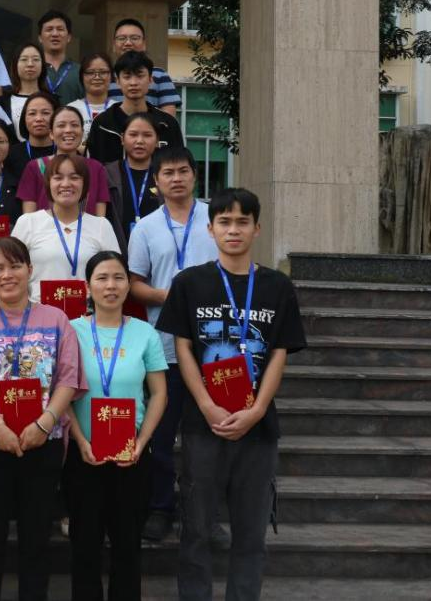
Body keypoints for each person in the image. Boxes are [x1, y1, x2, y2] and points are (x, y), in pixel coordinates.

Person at [156, 188, 307, 601]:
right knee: (196, 530)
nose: (233, 230)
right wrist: (206, 405)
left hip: (258, 429)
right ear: (211, 229)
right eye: (224, 222)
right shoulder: (189, 283)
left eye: (243, 222)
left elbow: (279, 353)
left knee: (251, 534)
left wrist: (256, 411)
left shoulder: (277, 286)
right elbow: (183, 348)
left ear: (257, 228)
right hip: (202, 425)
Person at [0, 236, 83, 601]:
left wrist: (43, 424)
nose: (6, 275)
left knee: (36, 539)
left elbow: (68, 379)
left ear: (29, 270)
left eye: (14, 266)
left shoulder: (56, 319)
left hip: (43, 441)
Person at [127, 146, 219, 543]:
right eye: (168, 173)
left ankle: (205, 514)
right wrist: (173, 296)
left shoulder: (216, 219)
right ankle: (160, 507)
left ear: (195, 175)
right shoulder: (145, 228)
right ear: (156, 181)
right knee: (161, 435)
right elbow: (134, 284)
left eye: (183, 171)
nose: (176, 179)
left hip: (214, 347)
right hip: (163, 347)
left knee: (208, 436)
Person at [67, 250, 167, 601]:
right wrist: (79, 441)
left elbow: (159, 393)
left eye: (118, 277)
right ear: (87, 286)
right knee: (84, 546)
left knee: (127, 546)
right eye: (102, 278)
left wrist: (142, 441)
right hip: (83, 454)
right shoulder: (71, 331)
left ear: (128, 285)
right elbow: (62, 394)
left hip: (131, 456)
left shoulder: (145, 333)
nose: (110, 285)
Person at [11, 154, 119, 304]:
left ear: (85, 184)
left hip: (88, 314)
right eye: (58, 178)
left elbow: (115, 275)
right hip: (38, 313)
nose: (66, 184)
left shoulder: (101, 226)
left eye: (74, 178)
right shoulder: (28, 223)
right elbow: (12, 272)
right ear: (48, 183)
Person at [87, 51, 185, 164]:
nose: (133, 83)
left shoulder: (168, 124)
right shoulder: (102, 124)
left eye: (140, 75)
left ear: (150, 79)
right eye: (127, 76)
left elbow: (179, 164)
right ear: (118, 81)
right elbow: (93, 168)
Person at [17, 106, 111, 217]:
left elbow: (100, 218)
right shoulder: (36, 166)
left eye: (74, 125)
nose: (68, 130)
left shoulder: (96, 168)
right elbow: (28, 218)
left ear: (82, 132)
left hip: (87, 228)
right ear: (51, 133)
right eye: (61, 125)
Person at [105, 113, 163, 250]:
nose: (140, 141)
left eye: (147, 135)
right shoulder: (108, 174)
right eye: (133, 134)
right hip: (115, 250)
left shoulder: (165, 174)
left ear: (157, 141)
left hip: (158, 250)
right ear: (122, 139)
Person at [108, 18, 180, 116]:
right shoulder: (105, 76)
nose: (128, 43)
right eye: (121, 38)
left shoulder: (160, 75)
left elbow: (168, 117)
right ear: (114, 45)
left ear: (144, 44)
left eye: (134, 38)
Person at [0, 42, 50, 139]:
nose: (30, 64)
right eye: (24, 59)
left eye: (36, 59)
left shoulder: (52, 100)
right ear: (15, 65)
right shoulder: (3, 101)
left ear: (43, 65)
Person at [68, 52, 115, 151]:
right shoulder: (70, 109)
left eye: (103, 72)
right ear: (81, 77)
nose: (97, 77)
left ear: (111, 76)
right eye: (90, 72)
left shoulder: (118, 108)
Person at [5, 92, 57, 182]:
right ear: (24, 118)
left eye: (45, 113)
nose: (39, 119)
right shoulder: (11, 154)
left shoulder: (65, 152)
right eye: (32, 113)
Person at [38, 10, 82, 105]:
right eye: (49, 29)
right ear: (40, 38)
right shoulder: (32, 69)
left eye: (60, 29)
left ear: (69, 37)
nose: (55, 34)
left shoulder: (80, 71)